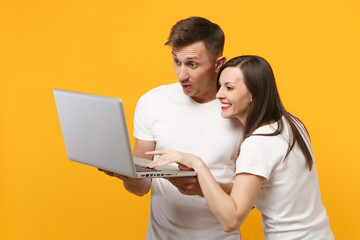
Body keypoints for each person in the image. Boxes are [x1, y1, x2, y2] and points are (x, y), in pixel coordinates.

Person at [147, 55, 334, 239]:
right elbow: (253, 190)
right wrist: (203, 187)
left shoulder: (258, 143)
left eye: (229, 88)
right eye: (220, 86)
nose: (219, 94)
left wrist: (198, 164)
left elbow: (231, 221)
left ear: (254, 93)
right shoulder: (291, 123)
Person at [99, 17, 243, 239]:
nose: (181, 75)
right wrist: (126, 175)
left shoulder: (240, 109)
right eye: (177, 61)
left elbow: (254, 198)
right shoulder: (152, 102)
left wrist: (203, 187)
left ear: (218, 64)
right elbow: (142, 187)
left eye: (192, 64)